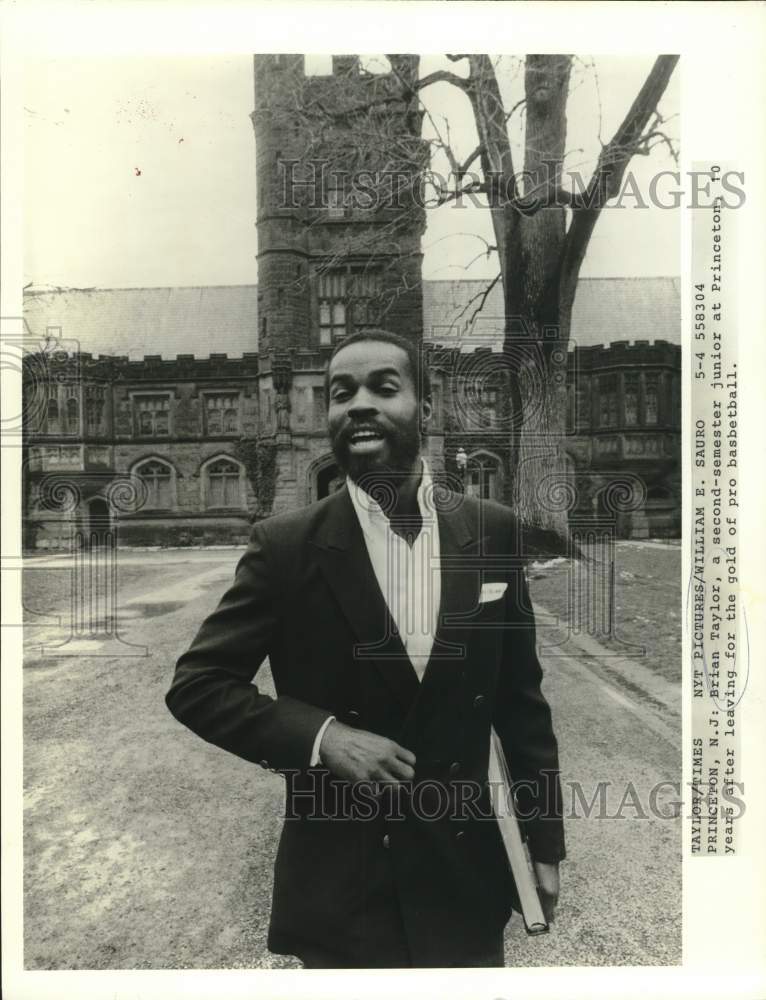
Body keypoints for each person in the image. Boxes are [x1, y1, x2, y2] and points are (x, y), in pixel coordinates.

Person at [165, 329, 565, 969]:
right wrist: (323, 738)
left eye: (384, 387)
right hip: (344, 890)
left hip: (462, 879)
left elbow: (521, 705)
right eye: (340, 392)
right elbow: (198, 684)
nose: (358, 404)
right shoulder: (286, 545)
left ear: (426, 410)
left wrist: (543, 841)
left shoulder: (492, 530)